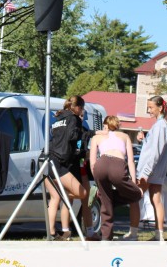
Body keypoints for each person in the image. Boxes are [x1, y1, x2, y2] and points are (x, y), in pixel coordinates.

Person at [44, 95, 93, 240]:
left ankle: (52, 233)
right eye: (82, 109)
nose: (82, 113)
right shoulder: (73, 120)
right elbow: (74, 139)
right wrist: (83, 143)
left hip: (46, 160)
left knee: (55, 198)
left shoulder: (59, 119)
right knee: (83, 194)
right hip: (60, 163)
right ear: (77, 108)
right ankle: (61, 229)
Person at [88, 115, 143, 240]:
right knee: (137, 194)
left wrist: (97, 180)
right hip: (118, 165)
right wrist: (134, 183)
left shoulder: (96, 137)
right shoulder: (125, 136)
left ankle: (106, 238)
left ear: (105, 125)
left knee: (106, 201)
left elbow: (92, 162)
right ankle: (110, 200)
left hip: (101, 164)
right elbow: (130, 161)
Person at [137, 95, 167, 241]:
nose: (149, 111)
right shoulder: (161, 125)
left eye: (151, 107)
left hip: (151, 170)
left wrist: (146, 172)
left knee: (135, 196)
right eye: (148, 108)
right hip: (154, 170)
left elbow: (156, 151)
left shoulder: (160, 125)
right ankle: (159, 235)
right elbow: (154, 148)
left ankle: (133, 231)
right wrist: (144, 139)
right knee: (156, 200)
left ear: (160, 107)